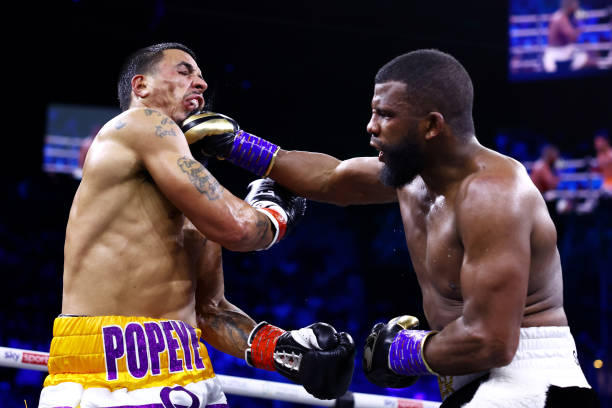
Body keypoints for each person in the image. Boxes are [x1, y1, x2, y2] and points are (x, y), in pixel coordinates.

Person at [184, 49, 600, 407]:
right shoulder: (414, 176)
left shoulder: (493, 195)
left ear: (432, 125)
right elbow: (331, 179)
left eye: (385, 114)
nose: (371, 126)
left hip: (527, 376)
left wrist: (404, 354)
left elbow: (493, 341)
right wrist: (235, 144)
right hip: (477, 378)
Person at [38, 43, 355, 408]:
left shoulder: (190, 184)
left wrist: (281, 347)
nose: (201, 83)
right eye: (185, 71)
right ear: (141, 87)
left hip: (187, 365)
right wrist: (273, 210)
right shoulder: (141, 123)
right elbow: (241, 229)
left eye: (201, 76)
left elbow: (210, 310)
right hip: (111, 367)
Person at [542, 0, 590, 73]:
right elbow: (572, 37)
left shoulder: (559, 15)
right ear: (570, 5)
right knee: (582, 58)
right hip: (557, 53)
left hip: (561, 51)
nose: (577, 7)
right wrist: (580, 25)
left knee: (582, 56)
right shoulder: (561, 18)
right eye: (575, 4)